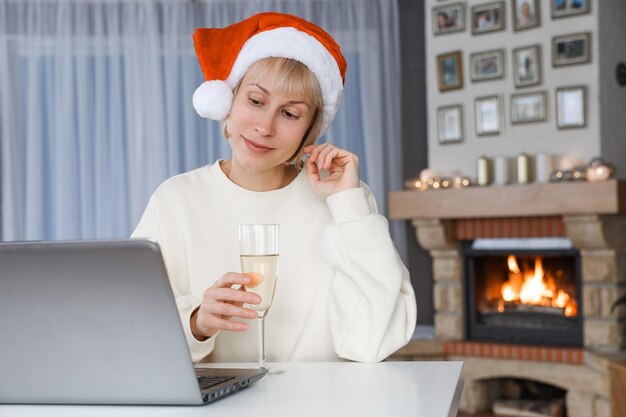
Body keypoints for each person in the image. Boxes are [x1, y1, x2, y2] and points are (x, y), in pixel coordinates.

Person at [132, 12, 417, 364]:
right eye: (255, 101)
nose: (265, 127)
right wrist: (196, 324)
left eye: (290, 114)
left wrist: (347, 204)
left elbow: (375, 340)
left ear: (309, 129)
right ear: (229, 101)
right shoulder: (175, 200)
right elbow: (132, 328)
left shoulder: (346, 202)